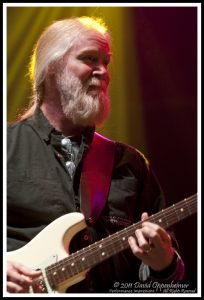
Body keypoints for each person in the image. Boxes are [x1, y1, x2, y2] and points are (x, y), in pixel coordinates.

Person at [7, 16, 185, 294]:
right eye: (90, 58)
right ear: (51, 67)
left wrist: (163, 264)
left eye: (107, 62)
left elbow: (164, 284)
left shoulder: (130, 164)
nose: (103, 71)